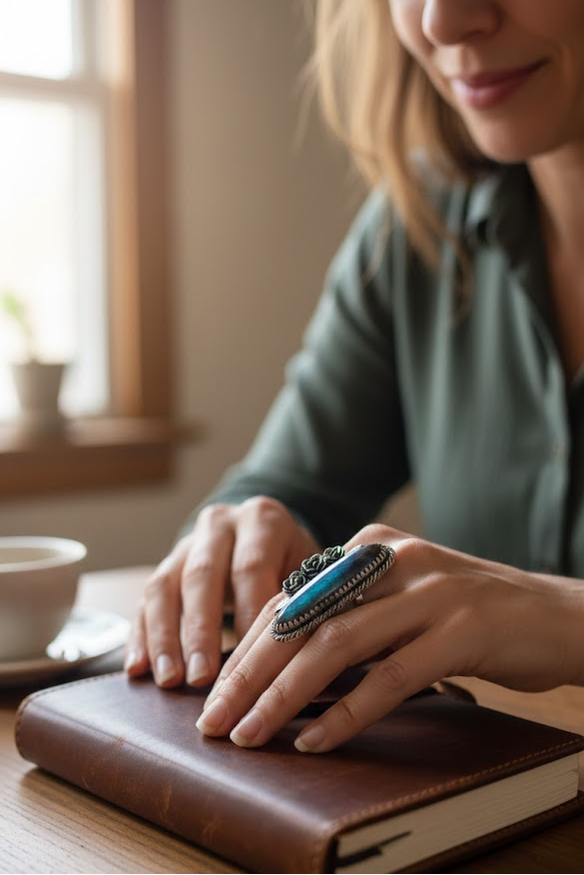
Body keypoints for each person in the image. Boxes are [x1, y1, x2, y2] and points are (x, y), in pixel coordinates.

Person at [125, 0, 584, 753]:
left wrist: (563, 617)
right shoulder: (416, 227)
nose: (441, 21)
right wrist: (246, 527)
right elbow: (290, 486)